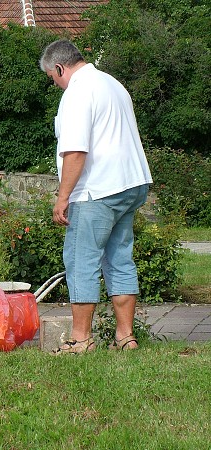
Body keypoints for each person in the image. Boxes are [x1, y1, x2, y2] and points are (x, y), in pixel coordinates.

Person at [39, 39, 153, 353]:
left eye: (53, 78)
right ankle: (125, 337)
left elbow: (76, 151)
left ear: (60, 68)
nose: (56, 84)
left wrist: (63, 198)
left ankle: (80, 339)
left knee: (80, 259)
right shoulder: (112, 84)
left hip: (97, 189)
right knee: (119, 258)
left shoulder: (77, 92)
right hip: (131, 183)